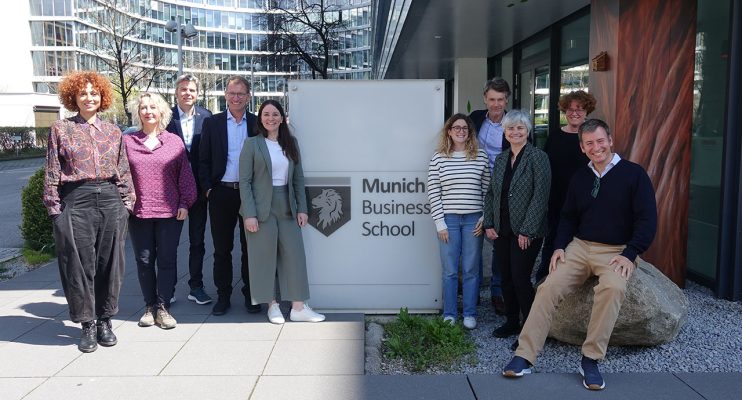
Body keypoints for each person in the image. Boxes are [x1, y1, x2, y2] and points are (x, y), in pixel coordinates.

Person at [502, 119, 657, 391]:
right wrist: (560, 246)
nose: (596, 148)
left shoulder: (634, 174)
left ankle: (591, 359)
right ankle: (525, 355)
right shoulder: (581, 177)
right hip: (580, 247)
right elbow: (568, 217)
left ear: (610, 140)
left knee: (612, 287)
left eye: (600, 141)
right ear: (582, 148)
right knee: (548, 286)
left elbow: (647, 220)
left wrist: (631, 253)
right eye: (589, 144)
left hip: (616, 251)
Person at [43, 71, 135, 353]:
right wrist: (55, 210)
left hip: (109, 199)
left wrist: (127, 204)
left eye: (94, 93)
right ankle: (86, 323)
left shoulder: (113, 131)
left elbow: (123, 169)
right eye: (83, 93)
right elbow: (52, 171)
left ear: (102, 97)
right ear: (74, 97)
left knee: (111, 263)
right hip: (76, 200)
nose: (89, 97)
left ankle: (105, 320)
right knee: (78, 265)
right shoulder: (61, 129)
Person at [239, 100, 325, 324]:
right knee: (263, 257)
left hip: (287, 206)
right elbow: (245, 181)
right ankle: (272, 305)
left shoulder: (290, 143)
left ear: (282, 117)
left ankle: (298, 307)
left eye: (275, 114)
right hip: (260, 208)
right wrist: (249, 213)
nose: (270, 118)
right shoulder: (252, 144)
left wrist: (303, 208)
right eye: (266, 114)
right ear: (260, 118)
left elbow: (298, 179)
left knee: (294, 256)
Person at [124, 92, 197, 329]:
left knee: (166, 260)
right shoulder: (128, 142)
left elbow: (185, 175)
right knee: (144, 260)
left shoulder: (174, 141)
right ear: (138, 113)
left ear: (161, 112)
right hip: (139, 212)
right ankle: (149, 306)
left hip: (170, 213)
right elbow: (121, 176)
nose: (148, 111)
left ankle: (163, 307)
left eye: (152, 107)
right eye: (143, 107)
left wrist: (185, 203)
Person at [484, 109, 550, 339]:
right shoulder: (502, 158)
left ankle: (530, 330)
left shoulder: (538, 158)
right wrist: (489, 222)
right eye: (510, 128)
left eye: (520, 128)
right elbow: (492, 193)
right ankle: (512, 321)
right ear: (505, 132)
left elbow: (540, 197)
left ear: (528, 131)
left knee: (521, 278)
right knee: (506, 278)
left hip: (526, 231)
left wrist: (527, 230)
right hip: (502, 229)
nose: (515, 132)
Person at [199, 75, 260, 316]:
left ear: (248, 97)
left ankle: (252, 296)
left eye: (241, 94)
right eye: (232, 93)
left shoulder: (257, 123)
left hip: (250, 195)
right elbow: (203, 161)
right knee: (222, 249)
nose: (236, 98)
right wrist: (208, 190)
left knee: (250, 248)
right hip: (221, 193)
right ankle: (223, 296)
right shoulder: (212, 123)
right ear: (225, 95)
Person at [427, 114, 490, 330]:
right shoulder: (439, 158)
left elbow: (487, 190)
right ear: (449, 131)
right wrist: (440, 223)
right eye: (456, 127)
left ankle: (470, 313)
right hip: (449, 220)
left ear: (470, 132)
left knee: (471, 269)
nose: (461, 131)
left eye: (465, 128)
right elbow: (433, 191)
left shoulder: (480, 156)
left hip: (474, 219)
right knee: (450, 270)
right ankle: (450, 313)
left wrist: (484, 217)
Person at [534, 90, 595, 283]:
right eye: (569, 109)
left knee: (579, 240)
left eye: (579, 108)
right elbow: (545, 169)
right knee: (552, 239)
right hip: (557, 198)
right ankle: (544, 279)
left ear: (587, 110)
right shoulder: (555, 137)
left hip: (585, 199)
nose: (574, 112)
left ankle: (575, 281)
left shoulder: (591, 136)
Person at [166, 74, 214, 305]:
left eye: (192, 90)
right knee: (170, 242)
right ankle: (168, 288)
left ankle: (196, 286)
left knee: (197, 241)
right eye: (183, 89)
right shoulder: (165, 117)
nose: (187, 93)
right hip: (171, 190)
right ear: (176, 92)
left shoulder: (207, 117)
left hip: (198, 190)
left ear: (197, 94)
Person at [469, 77, 511, 314]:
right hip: (475, 187)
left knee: (499, 241)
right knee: (473, 238)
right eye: (492, 99)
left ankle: (497, 292)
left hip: (502, 189)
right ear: (485, 99)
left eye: (500, 100)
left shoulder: (514, 122)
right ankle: (472, 292)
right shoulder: (475, 118)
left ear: (506, 100)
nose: (496, 104)